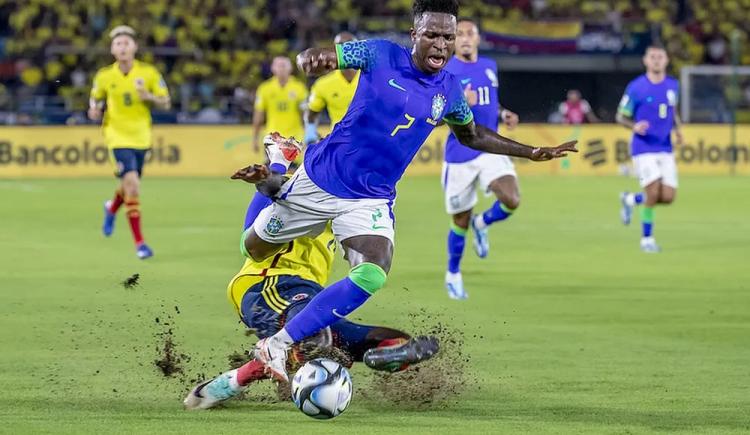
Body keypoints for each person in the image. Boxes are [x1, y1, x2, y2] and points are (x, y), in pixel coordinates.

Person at [242, 0, 577, 382]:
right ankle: (279, 166)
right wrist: (312, 58)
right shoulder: (380, 53)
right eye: (432, 35)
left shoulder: (450, 88)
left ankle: (278, 344)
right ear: (414, 35)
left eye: (447, 37)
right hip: (321, 178)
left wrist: (530, 151)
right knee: (252, 249)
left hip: (371, 197)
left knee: (372, 273)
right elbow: (324, 55)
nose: (440, 45)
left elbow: (473, 135)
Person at [183, 155, 438, 410]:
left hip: (313, 297)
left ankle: (385, 352)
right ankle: (259, 369)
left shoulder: (350, 207)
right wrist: (277, 166)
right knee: (314, 339)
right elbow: (250, 230)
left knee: (369, 339)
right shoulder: (296, 192)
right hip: (265, 285)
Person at [441, 18, 521, 300]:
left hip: (490, 148)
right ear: (453, 40)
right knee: (460, 219)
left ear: (477, 39)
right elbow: (434, 115)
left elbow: (491, 101)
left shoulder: (489, 66)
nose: (464, 38)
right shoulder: (445, 70)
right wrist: (459, 104)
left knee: (512, 199)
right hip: (460, 153)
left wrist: (503, 114)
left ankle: (483, 222)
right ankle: (453, 273)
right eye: (459, 34)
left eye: (469, 33)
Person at [90, 25, 171, 260]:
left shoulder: (149, 73)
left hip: (142, 136)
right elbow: (94, 100)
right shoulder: (104, 75)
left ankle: (112, 207)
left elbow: (165, 102)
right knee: (133, 186)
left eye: (127, 42)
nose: (123, 47)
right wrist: (94, 110)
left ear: (134, 47)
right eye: (118, 43)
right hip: (116, 135)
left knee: (129, 185)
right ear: (112, 49)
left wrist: (149, 97)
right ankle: (140, 244)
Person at [617, 45, 683, 253]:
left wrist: (679, 129)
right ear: (645, 60)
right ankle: (647, 239)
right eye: (652, 57)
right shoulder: (636, 87)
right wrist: (634, 126)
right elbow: (620, 116)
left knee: (668, 197)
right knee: (653, 193)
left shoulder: (673, 85)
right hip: (643, 147)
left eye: (660, 57)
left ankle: (630, 199)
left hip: (665, 147)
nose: (656, 60)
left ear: (666, 60)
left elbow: (673, 111)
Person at [304, 32, 360, 145]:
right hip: (339, 143)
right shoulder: (323, 84)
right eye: (340, 46)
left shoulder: (372, 78)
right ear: (334, 51)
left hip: (370, 143)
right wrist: (310, 132)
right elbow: (312, 113)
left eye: (349, 45)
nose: (345, 50)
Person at [252, 57, 308, 152]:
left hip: (294, 139)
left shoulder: (299, 88)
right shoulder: (265, 88)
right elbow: (258, 115)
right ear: (273, 68)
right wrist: (255, 138)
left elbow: (306, 114)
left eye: (284, 66)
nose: (281, 69)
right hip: (273, 139)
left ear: (290, 68)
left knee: (293, 167)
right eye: (278, 66)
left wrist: (308, 135)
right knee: (271, 166)